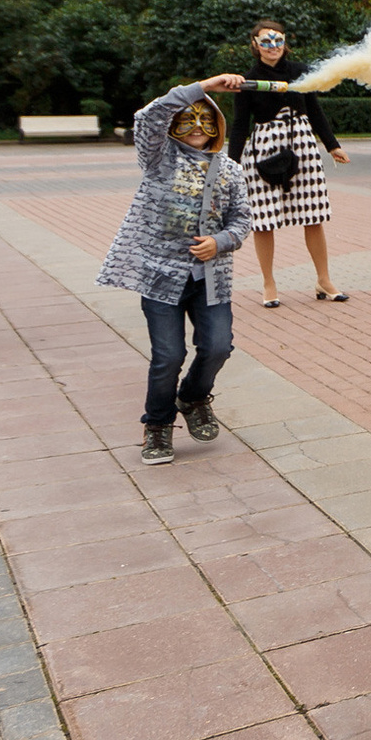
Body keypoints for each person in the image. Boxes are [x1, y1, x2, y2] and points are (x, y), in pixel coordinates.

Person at [97, 74, 252, 465]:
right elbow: (148, 117)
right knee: (168, 355)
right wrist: (205, 86)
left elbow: (242, 221)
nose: (197, 125)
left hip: (210, 279)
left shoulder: (230, 170)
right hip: (161, 276)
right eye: (188, 117)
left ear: (217, 125)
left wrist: (221, 242)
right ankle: (158, 425)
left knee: (218, 346)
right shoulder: (159, 155)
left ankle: (194, 396)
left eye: (206, 118)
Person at [231, 19, 350, 307]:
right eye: (266, 42)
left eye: (278, 40)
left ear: (285, 42)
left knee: (314, 215)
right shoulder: (247, 80)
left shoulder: (300, 73)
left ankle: (324, 279)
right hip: (263, 149)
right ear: (255, 45)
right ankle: (269, 283)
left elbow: (314, 110)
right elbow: (239, 125)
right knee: (263, 220)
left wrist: (332, 145)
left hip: (302, 144)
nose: (273, 47)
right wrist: (231, 163)